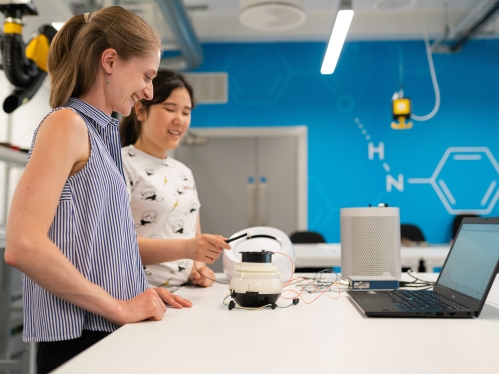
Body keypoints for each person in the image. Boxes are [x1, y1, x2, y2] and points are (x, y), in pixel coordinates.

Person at [3, 6, 215, 373]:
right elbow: (24, 246)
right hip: (78, 338)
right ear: (110, 61)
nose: (148, 90)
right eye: (147, 76)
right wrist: (118, 306)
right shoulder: (66, 124)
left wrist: (134, 289)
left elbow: (100, 243)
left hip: (105, 329)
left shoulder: (103, 136)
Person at [119, 70, 231, 291]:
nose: (179, 120)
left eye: (186, 112)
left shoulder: (183, 172)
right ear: (140, 110)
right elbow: (116, 245)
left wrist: (200, 269)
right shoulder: (121, 164)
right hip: (140, 295)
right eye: (170, 109)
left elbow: (193, 237)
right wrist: (187, 249)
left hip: (184, 294)